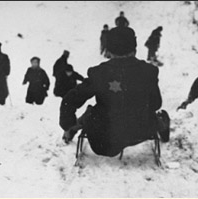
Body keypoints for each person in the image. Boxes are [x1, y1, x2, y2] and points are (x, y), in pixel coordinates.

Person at [59, 27, 170, 157]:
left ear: (109, 50)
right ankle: (163, 125)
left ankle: (71, 129)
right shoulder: (148, 71)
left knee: (91, 113)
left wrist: (68, 123)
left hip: (104, 140)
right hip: (140, 132)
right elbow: (156, 103)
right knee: (155, 114)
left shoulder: (99, 73)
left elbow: (70, 100)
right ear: (134, 48)